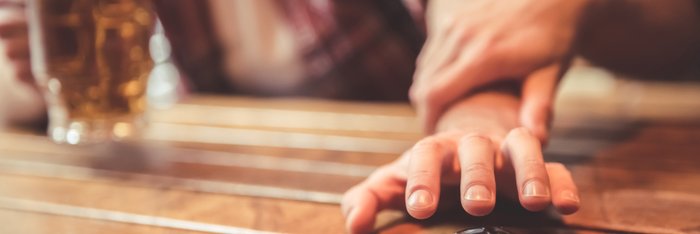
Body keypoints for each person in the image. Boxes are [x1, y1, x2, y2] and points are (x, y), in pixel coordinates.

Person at [1, 1, 699, 233]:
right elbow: (34, 93)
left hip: (394, 151)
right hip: (244, 180)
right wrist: (34, 58)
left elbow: (477, 20)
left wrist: (471, 116)